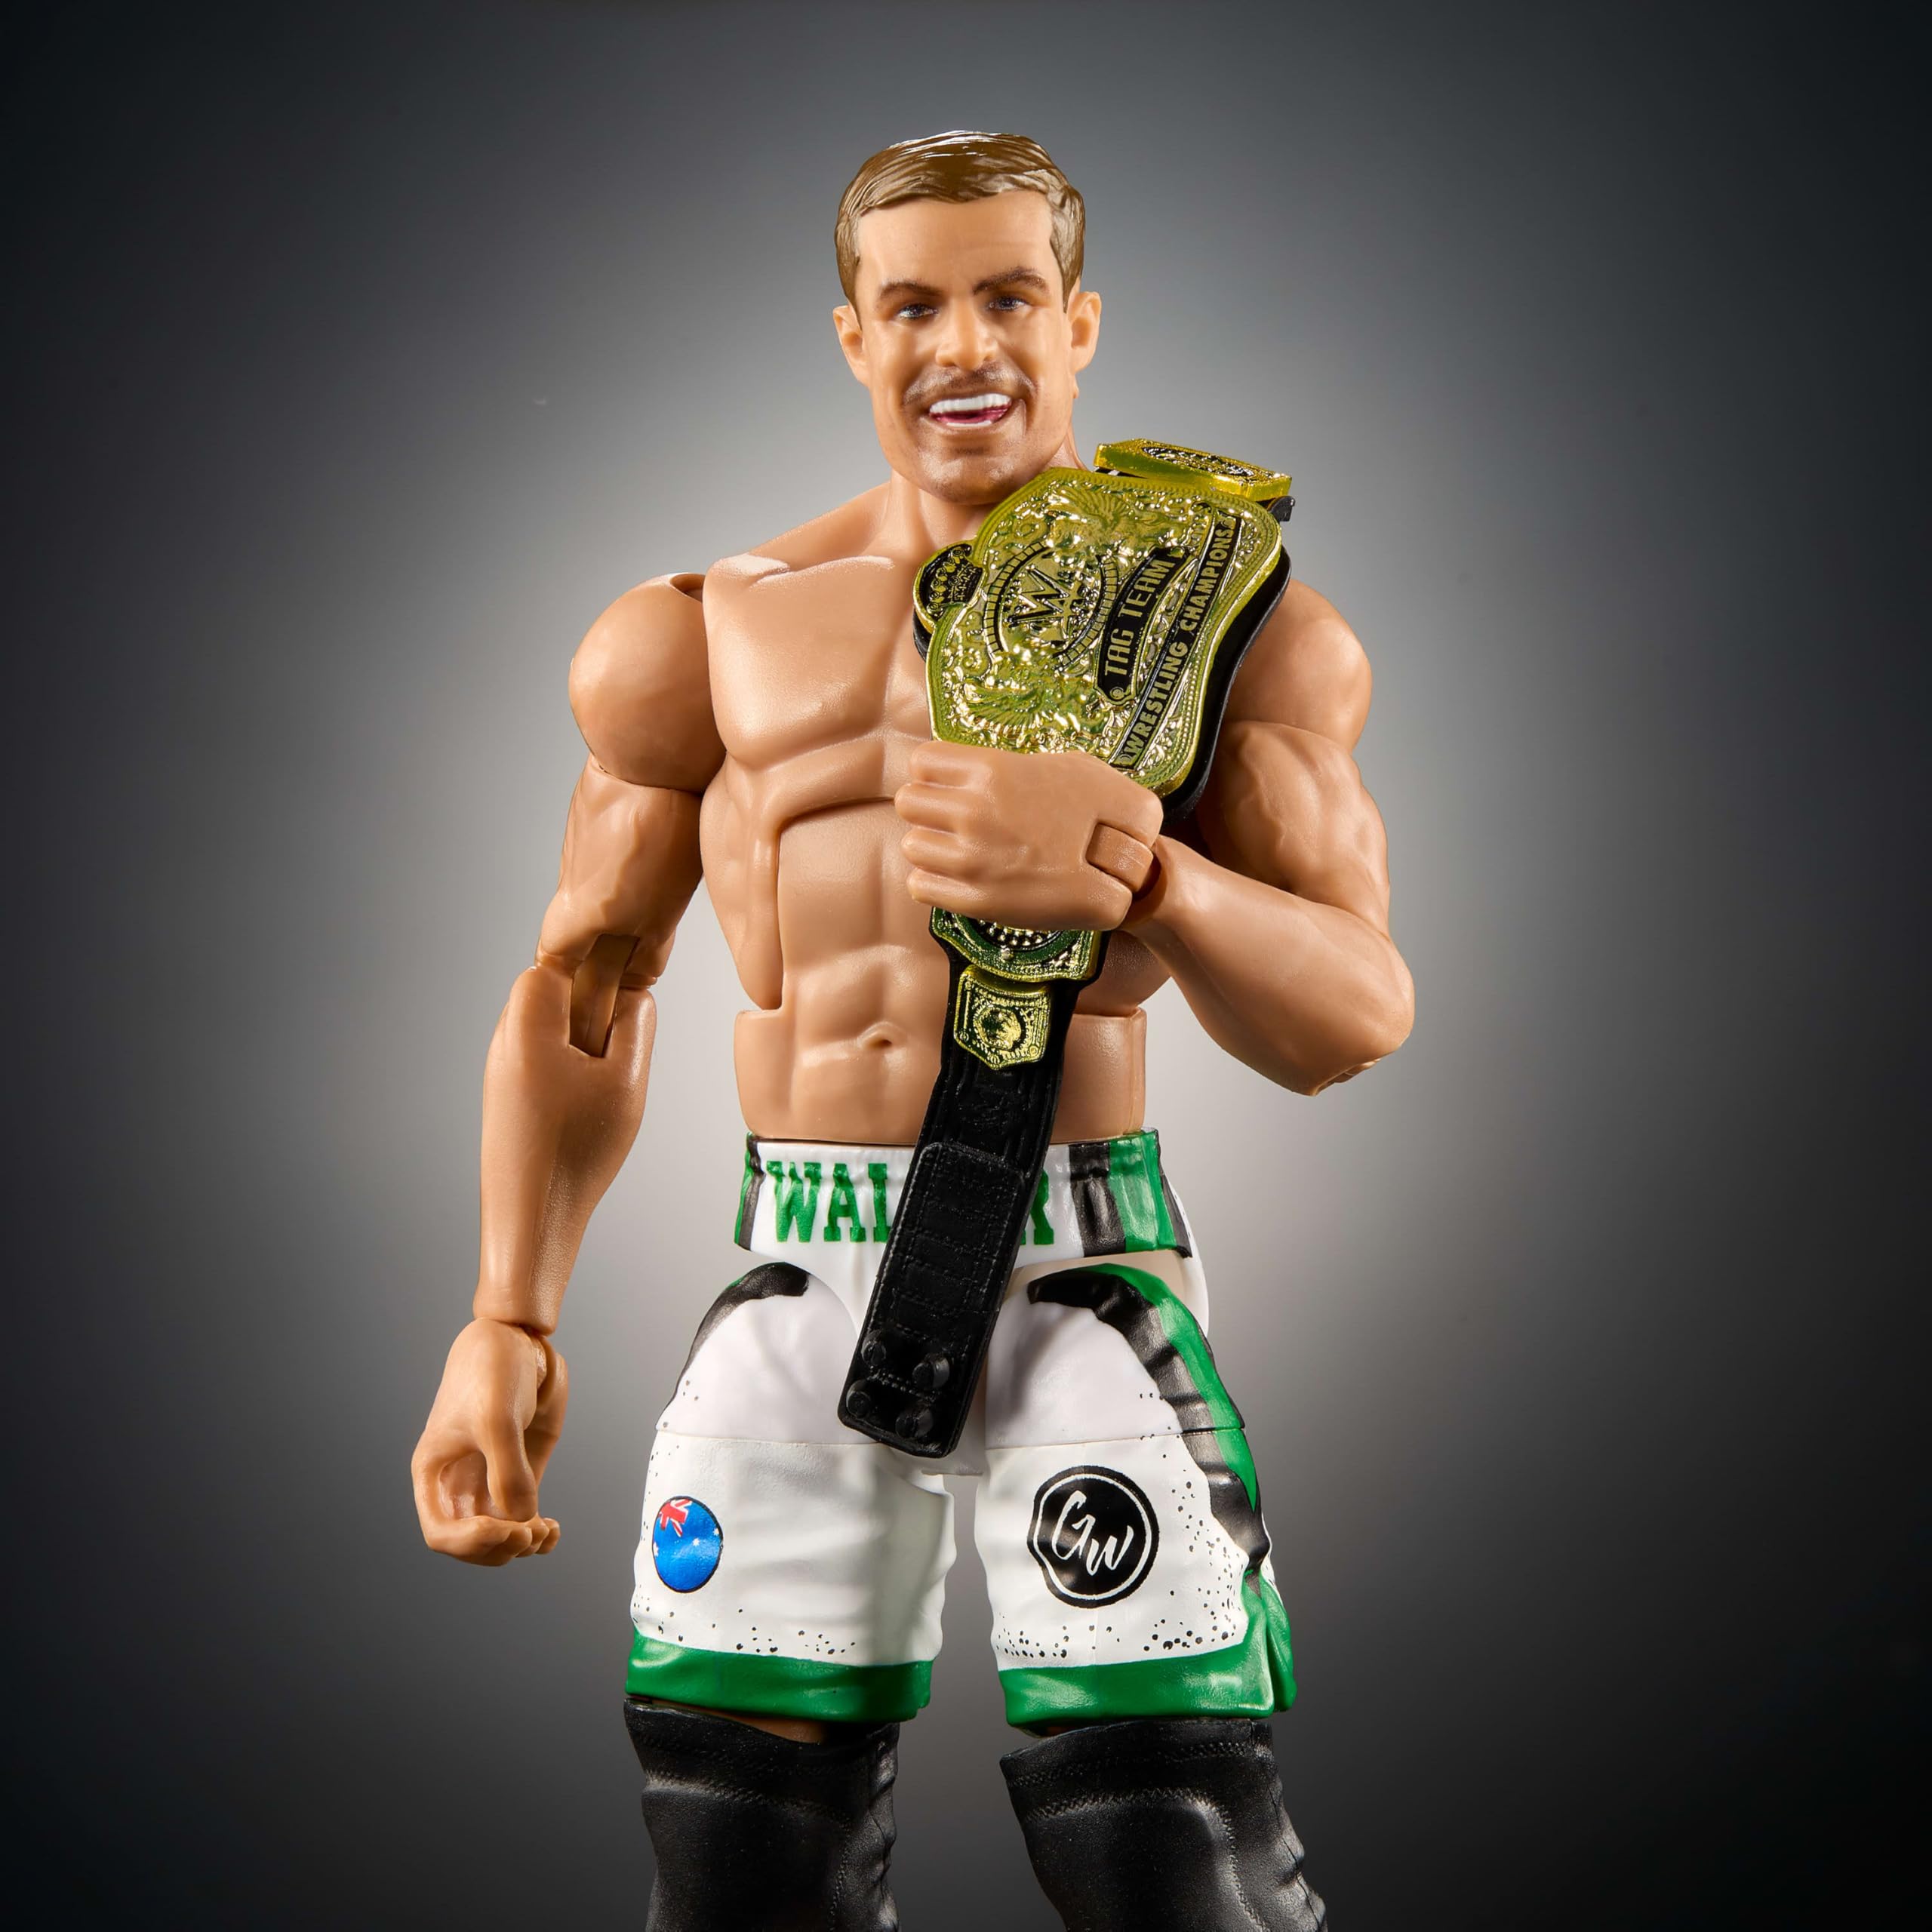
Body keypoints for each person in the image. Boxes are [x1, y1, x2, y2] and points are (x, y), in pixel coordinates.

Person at [412, 130, 1412, 1931]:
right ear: (851, 336)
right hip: (799, 1283)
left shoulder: (1226, 625)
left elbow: (1353, 1011)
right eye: (914, 305)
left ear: (1080, 323)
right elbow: (586, 983)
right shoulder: (698, 639)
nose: (964, 346)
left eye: (1009, 297)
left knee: (1168, 1847)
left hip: (1068, 1270)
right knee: (736, 1854)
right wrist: (505, 1313)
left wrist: (1144, 874)